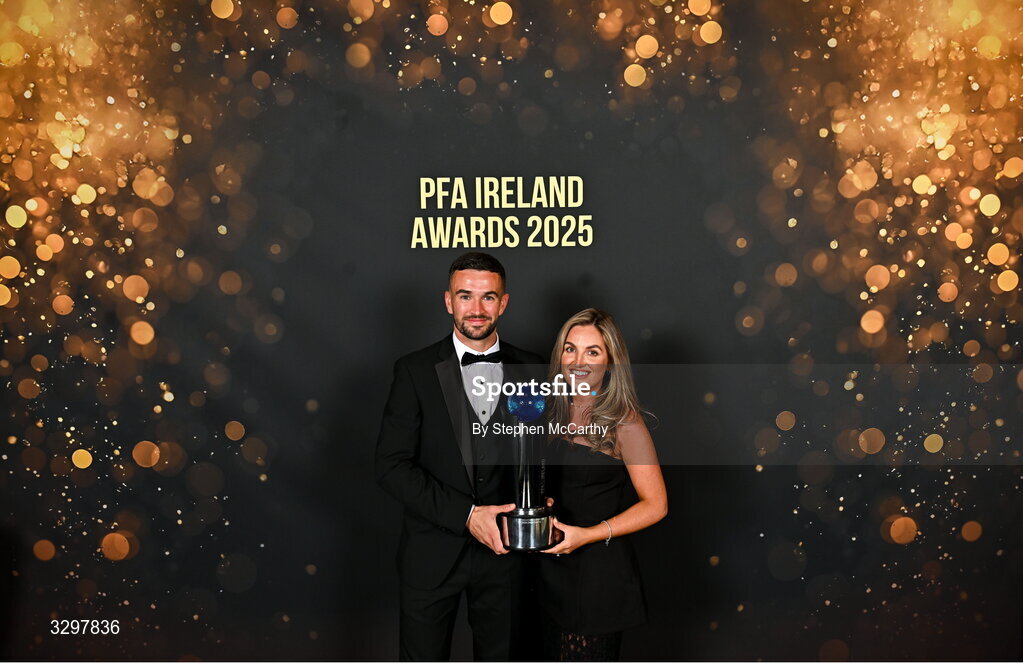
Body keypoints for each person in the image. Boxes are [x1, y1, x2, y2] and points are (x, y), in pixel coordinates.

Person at [375, 252, 545, 661]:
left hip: (508, 558)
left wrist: (543, 498)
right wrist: (467, 515)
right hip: (432, 555)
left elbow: (545, 454)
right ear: (448, 300)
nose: (476, 308)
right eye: (465, 296)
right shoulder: (413, 371)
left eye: (489, 297)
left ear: (504, 303)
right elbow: (391, 466)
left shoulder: (534, 368)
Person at [539, 308, 668, 661]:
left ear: (610, 362)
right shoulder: (546, 409)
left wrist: (587, 534)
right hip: (546, 575)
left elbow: (656, 505)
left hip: (597, 578)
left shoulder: (625, 424)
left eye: (592, 352)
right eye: (570, 349)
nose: (577, 361)